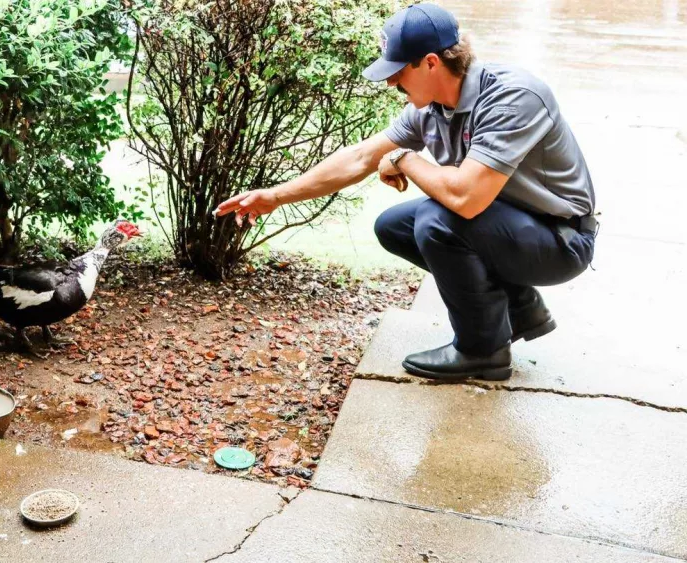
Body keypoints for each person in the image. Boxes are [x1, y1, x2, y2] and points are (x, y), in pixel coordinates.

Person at [214, 3, 596, 381]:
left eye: (397, 72)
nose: (390, 83)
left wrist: (405, 159)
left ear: (431, 62)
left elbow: (466, 198)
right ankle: (520, 305)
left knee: (437, 219)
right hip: (510, 230)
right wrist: (276, 196)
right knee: (395, 225)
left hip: (560, 240)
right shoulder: (429, 107)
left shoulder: (513, 97)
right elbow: (360, 157)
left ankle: (482, 351)